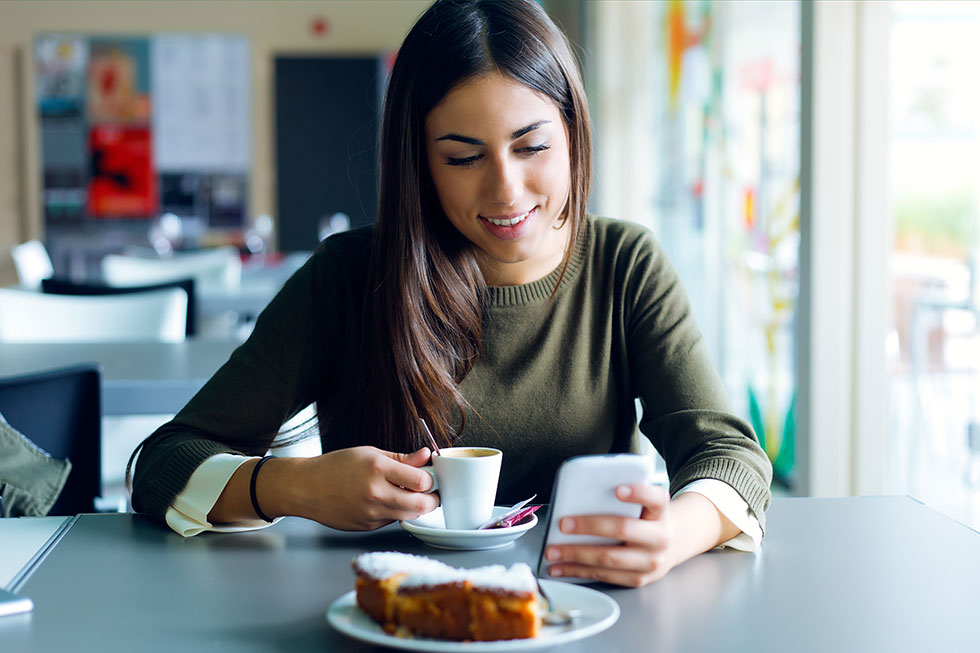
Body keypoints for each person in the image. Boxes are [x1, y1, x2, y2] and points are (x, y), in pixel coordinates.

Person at [129, 0, 772, 588]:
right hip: (383, 617)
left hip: (577, 616)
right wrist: (292, 487)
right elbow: (162, 464)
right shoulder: (350, 276)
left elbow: (727, 455)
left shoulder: (625, 265)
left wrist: (673, 536)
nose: (507, 191)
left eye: (533, 146)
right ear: (420, 164)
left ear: (573, 134)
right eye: (463, 158)